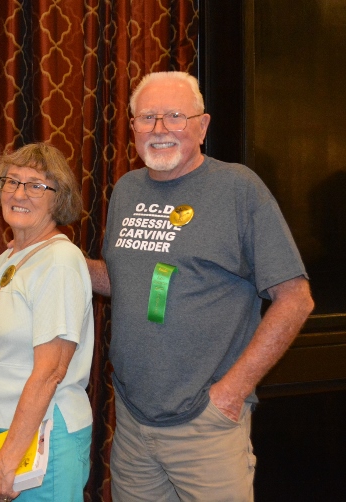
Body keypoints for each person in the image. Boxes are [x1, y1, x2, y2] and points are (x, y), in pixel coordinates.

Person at [86, 71, 314, 501]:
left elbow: (296, 299)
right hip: (134, 423)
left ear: (202, 126)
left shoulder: (238, 189)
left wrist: (231, 394)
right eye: (147, 117)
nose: (160, 129)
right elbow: (125, 280)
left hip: (206, 426)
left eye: (175, 116)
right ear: (131, 126)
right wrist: (59, 262)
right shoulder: (126, 190)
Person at [0, 143, 94, 502]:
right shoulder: (11, 256)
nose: (19, 193)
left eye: (37, 185)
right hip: (0, 432)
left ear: (59, 199)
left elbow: (50, 371)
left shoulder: (59, 262)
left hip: (40, 439)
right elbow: (4, 341)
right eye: (12, 181)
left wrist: (8, 459)